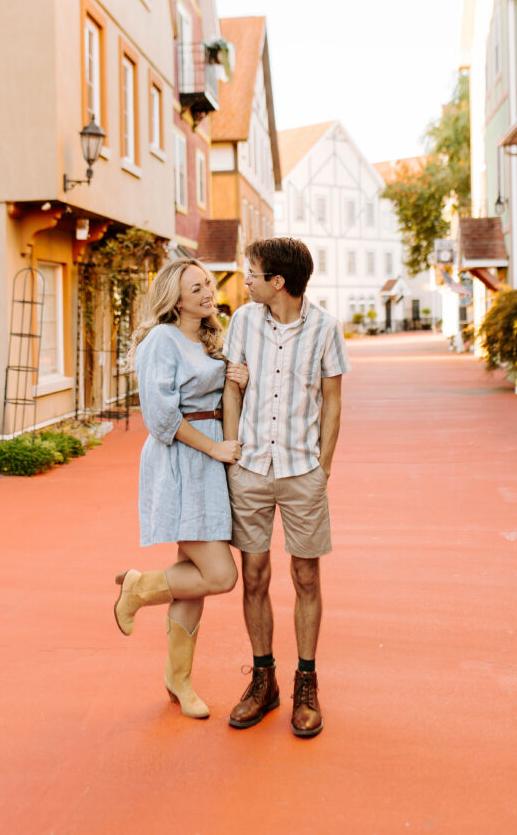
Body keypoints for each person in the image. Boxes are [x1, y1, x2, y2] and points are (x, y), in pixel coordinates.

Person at [222, 237, 350, 738]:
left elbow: (333, 402)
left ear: (278, 282)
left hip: (302, 472)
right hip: (251, 469)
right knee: (253, 575)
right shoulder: (243, 322)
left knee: (306, 578)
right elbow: (233, 388)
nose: (246, 279)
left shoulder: (325, 329)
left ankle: (306, 682)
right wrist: (233, 452)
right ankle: (263, 679)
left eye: (252, 272)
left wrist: (324, 468)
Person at [113, 258, 248, 719]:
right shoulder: (161, 341)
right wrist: (214, 450)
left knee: (193, 584)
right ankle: (136, 589)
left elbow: (218, 399)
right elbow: (162, 417)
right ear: (175, 296)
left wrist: (238, 382)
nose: (208, 292)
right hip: (182, 462)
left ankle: (179, 679)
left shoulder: (209, 338)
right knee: (220, 576)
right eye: (196, 287)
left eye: (208, 283)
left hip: (209, 461)